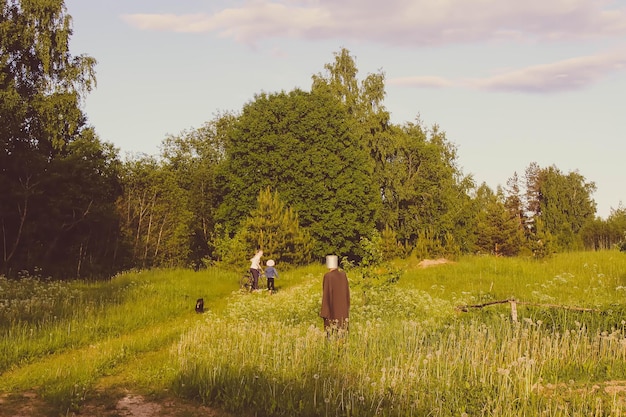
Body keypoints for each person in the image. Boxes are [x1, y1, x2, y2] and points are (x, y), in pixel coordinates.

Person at [319, 255, 350, 337]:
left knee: (331, 335)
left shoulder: (328, 276)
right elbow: (347, 293)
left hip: (331, 311)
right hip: (343, 311)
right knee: (342, 334)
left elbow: (326, 294)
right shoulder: (343, 275)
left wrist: (324, 312)